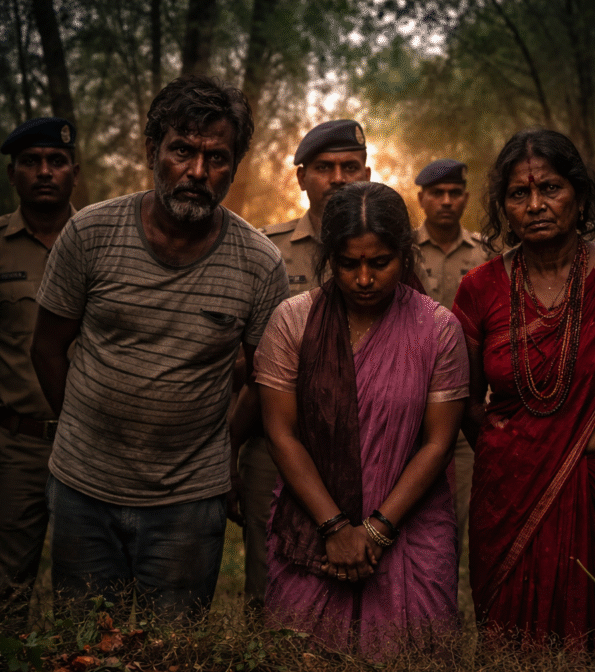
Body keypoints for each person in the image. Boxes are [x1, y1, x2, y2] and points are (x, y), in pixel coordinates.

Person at [30, 75, 289, 618]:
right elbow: (48, 348)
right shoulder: (90, 234)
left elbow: (268, 381)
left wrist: (222, 443)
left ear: (234, 166)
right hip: (84, 488)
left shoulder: (259, 262)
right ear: (153, 151)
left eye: (216, 158)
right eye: (182, 151)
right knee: (83, 659)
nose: (197, 172)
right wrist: (84, 428)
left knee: (171, 669)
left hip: (189, 501)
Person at [453, 128, 595, 647]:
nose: (535, 205)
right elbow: (466, 403)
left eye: (550, 188)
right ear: (503, 208)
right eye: (518, 194)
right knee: (512, 652)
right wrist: (515, 456)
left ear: (578, 195)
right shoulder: (479, 288)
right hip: (509, 492)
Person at [256, 181, 469, 653]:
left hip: (411, 524)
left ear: (405, 256)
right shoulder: (293, 322)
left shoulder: (438, 330)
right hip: (314, 521)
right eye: (349, 264)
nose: (365, 279)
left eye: (380, 263)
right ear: (329, 257)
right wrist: (334, 528)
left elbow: (438, 442)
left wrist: (375, 529)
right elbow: (280, 431)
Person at [232, 120, 371, 611]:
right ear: (300, 178)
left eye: (349, 167)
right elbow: (240, 359)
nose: (337, 178)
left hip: (365, 443)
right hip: (276, 440)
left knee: (358, 581)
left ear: (368, 173)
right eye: (323, 168)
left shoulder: (390, 248)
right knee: (268, 583)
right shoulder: (266, 250)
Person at [0, 117, 79, 625]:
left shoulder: (101, 242)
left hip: (91, 446)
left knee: (91, 588)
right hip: (18, 446)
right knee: (7, 587)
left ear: (74, 171)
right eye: (31, 162)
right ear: (13, 174)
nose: (44, 172)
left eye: (56, 161)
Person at [414, 158, 487, 568]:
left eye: (454, 193)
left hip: (467, 408)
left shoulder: (486, 253)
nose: (446, 201)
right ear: (421, 198)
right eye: (437, 194)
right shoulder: (398, 249)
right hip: (410, 404)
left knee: (465, 520)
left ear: (466, 198)